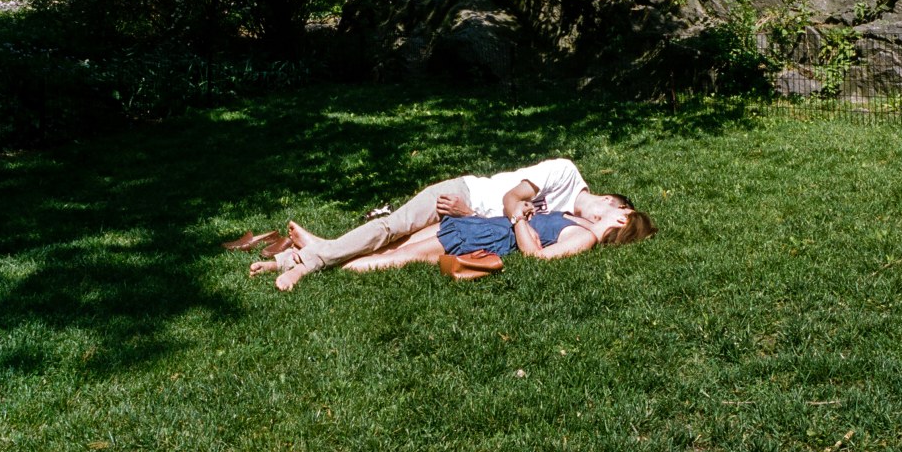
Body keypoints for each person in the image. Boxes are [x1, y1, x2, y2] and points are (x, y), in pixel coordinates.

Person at [255, 157, 634, 290]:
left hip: (466, 218)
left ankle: (304, 253)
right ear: (609, 201)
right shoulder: (565, 173)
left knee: (390, 244)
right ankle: (315, 260)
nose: (605, 226)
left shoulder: (569, 218)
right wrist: (469, 211)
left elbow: (504, 229)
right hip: (462, 194)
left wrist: (469, 219)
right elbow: (509, 201)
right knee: (390, 229)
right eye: (613, 216)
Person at [265, 205, 657, 278]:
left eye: (614, 208)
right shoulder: (577, 220)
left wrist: (520, 216)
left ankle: (311, 262)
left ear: (622, 219)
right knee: (389, 250)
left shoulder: (584, 236)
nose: (606, 206)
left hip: (480, 236)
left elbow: (538, 258)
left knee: (392, 259)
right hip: (475, 227)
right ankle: (306, 254)